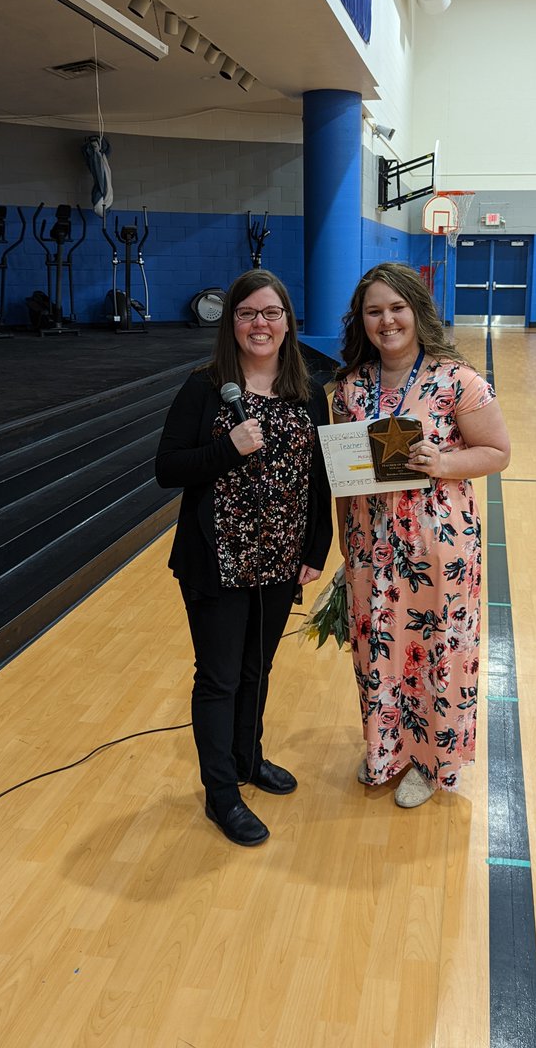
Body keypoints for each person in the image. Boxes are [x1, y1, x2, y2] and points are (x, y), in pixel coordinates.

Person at [155, 269, 332, 846]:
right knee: (220, 677)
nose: (261, 324)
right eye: (249, 314)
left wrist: (315, 546)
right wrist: (225, 449)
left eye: (271, 313)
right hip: (218, 557)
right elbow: (168, 468)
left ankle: (248, 757)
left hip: (281, 556)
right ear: (231, 324)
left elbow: (320, 477)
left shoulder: (308, 390)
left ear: (287, 322)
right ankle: (221, 792)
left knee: (259, 667)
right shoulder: (204, 387)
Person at [332, 262, 511, 809]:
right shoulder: (348, 388)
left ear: (417, 311)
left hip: (440, 548)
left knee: (436, 651)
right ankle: (386, 749)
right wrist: (346, 544)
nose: (386, 321)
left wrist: (445, 460)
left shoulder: (457, 379)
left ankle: (433, 763)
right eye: (374, 311)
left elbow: (498, 452)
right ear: (361, 321)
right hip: (371, 547)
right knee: (379, 650)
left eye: (396, 308)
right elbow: (344, 473)